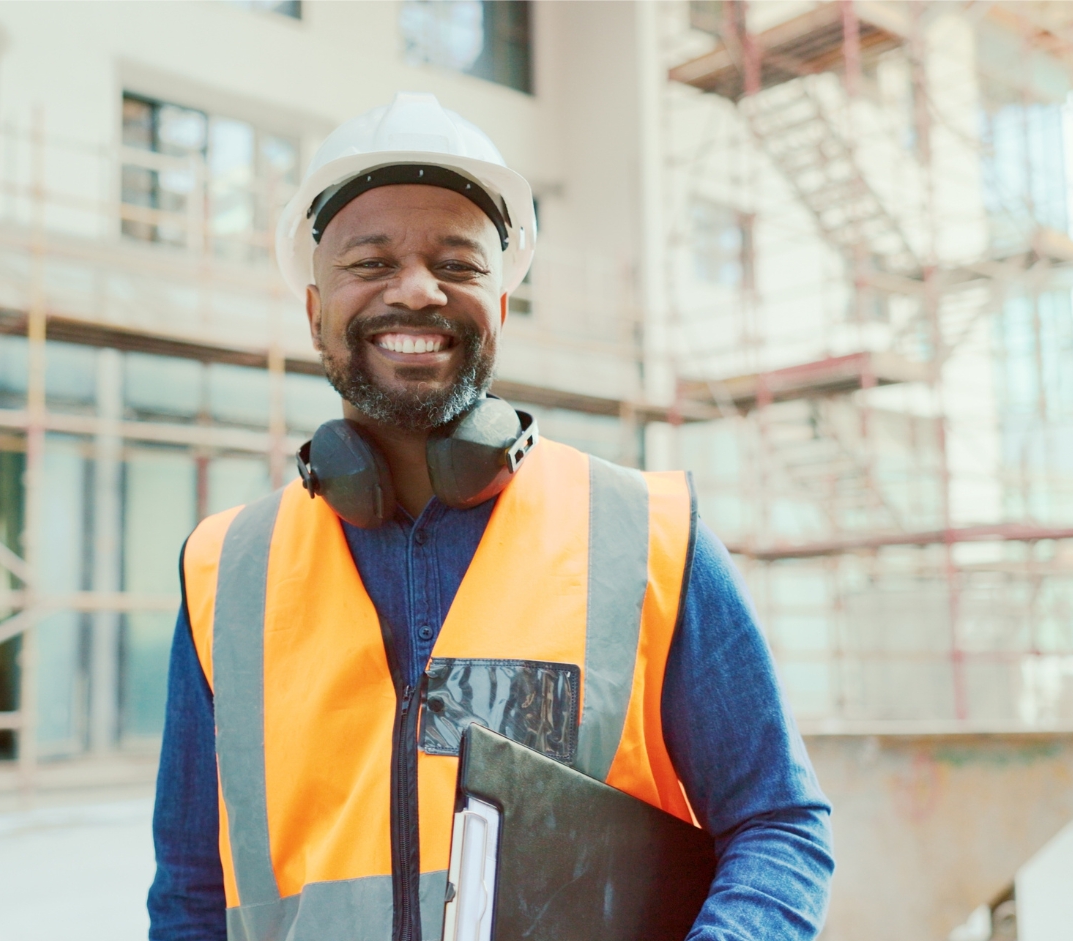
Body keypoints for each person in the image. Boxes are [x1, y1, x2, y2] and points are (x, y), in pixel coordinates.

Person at [146, 93, 832, 941]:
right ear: (315, 308)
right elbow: (188, 891)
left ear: (501, 307)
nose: (418, 289)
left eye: (459, 263)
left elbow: (779, 824)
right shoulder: (227, 569)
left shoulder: (647, 538)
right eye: (370, 261)